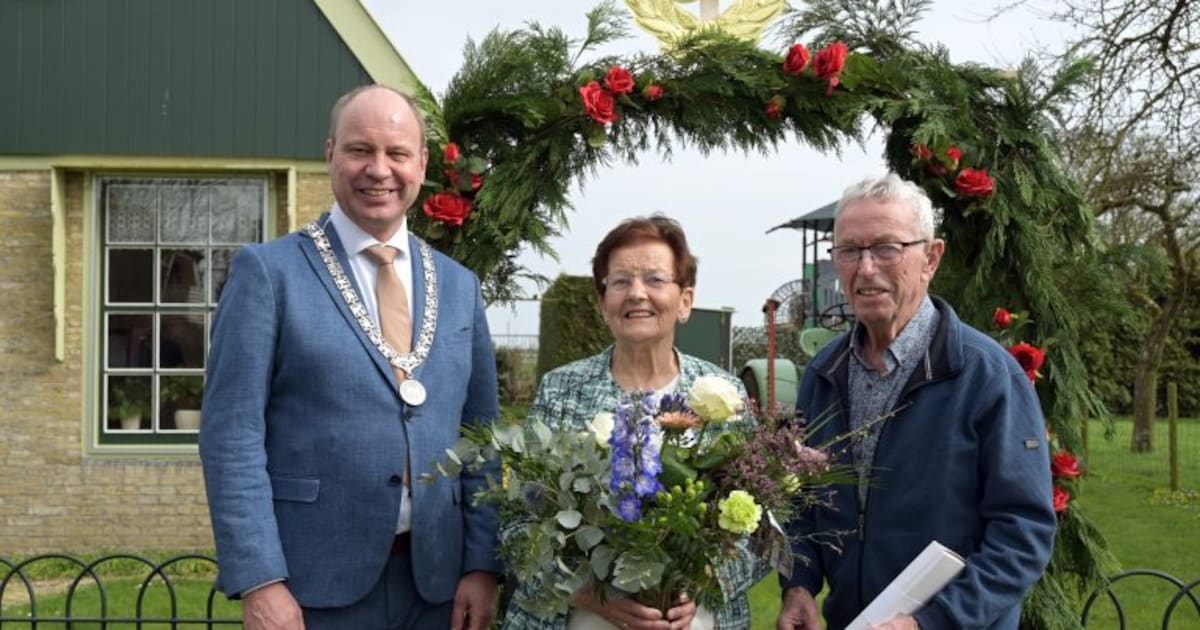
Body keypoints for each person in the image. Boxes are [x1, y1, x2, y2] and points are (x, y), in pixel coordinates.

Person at [199, 85, 502, 630]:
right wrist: (260, 580)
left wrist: (482, 566)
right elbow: (231, 436)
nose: (379, 170)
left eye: (397, 153)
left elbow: (481, 437)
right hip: (310, 588)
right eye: (360, 150)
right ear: (330, 154)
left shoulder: (460, 286)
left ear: (422, 164)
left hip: (437, 588)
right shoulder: (269, 274)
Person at [777, 173, 1056, 630]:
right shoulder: (824, 373)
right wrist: (799, 583)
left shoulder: (988, 376)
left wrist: (929, 622)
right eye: (849, 250)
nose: (866, 268)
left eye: (887, 248)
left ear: (931, 258)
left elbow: (1023, 534)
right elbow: (801, 501)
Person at [501, 216, 766, 630]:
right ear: (603, 301)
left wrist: (708, 580)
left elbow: (761, 526)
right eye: (620, 281)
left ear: (685, 301)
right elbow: (517, 523)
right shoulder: (561, 389)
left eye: (655, 279)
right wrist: (587, 592)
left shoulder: (722, 395)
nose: (637, 293)